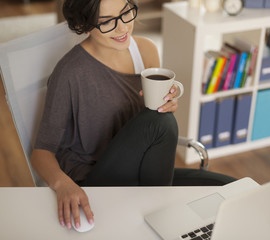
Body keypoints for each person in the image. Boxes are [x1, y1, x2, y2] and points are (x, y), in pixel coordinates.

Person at [30, 0, 180, 231]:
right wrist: (63, 185)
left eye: (125, 13)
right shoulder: (69, 73)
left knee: (223, 186)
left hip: (140, 174)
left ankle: (158, 215)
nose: (122, 28)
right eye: (107, 22)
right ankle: (160, 222)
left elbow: (146, 127)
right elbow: (41, 153)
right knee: (161, 123)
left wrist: (166, 104)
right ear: (84, 24)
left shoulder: (146, 51)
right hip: (95, 181)